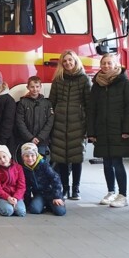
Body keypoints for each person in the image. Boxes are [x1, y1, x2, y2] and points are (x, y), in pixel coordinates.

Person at [87, 53, 129, 208]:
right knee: (107, 163)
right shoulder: (97, 85)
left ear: (116, 65)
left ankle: (123, 195)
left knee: (117, 162)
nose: (106, 66)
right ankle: (111, 192)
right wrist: (92, 132)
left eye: (109, 63)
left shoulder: (125, 83)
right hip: (102, 130)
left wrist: (127, 130)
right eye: (104, 63)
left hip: (119, 130)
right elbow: (91, 110)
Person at [48, 50, 91, 200]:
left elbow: (88, 104)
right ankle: (65, 188)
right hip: (60, 123)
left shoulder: (84, 79)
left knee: (77, 157)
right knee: (62, 158)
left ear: (75, 61)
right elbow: (51, 102)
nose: (67, 63)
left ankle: (76, 189)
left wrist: (87, 124)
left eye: (70, 60)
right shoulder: (58, 80)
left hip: (78, 123)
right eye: (64, 61)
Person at [20, 143, 65, 216]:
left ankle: (54, 203)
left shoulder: (44, 164)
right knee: (34, 210)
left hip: (51, 193)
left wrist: (57, 197)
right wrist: (26, 202)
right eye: (27, 156)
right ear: (23, 157)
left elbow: (55, 179)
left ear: (36, 155)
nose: (30, 158)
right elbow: (26, 186)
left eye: (32, 155)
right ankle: (45, 204)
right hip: (39, 194)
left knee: (60, 212)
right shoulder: (24, 168)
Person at [15, 76, 54, 157]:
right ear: (27, 87)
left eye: (37, 87)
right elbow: (20, 122)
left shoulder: (47, 103)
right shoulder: (22, 103)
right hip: (26, 140)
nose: (35, 89)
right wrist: (30, 137)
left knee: (41, 163)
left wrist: (40, 137)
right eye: (32, 87)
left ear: (40, 87)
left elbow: (50, 122)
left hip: (42, 141)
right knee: (27, 162)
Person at [0, 145, 26, 217]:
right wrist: (8, 197)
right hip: (3, 196)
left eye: (4, 156)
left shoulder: (18, 168)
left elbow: (22, 186)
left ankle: (13, 206)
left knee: (21, 212)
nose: (2, 160)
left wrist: (16, 197)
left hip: (16, 196)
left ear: (9, 155)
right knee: (8, 211)